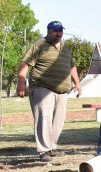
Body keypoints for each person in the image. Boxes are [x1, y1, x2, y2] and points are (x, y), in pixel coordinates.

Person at [16, 20, 82, 162]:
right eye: (55, 31)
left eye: (60, 31)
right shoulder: (39, 45)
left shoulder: (65, 47)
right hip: (42, 87)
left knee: (58, 121)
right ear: (48, 31)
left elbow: (72, 66)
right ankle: (44, 151)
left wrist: (77, 83)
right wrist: (21, 83)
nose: (58, 34)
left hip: (62, 90)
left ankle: (52, 148)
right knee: (44, 119)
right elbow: (24, 63)